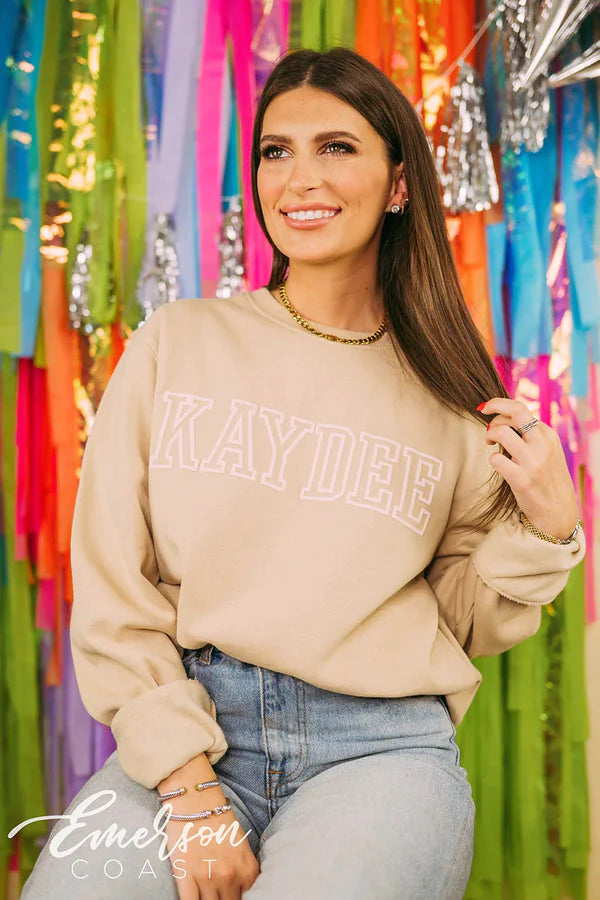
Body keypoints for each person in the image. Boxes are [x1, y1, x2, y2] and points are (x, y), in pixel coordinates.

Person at [20, 46, 585, 900]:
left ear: (399, 184)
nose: (299, 179)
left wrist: (548, 526)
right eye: (276, 151)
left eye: (337, 147)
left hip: (380, 752)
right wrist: (189, 789)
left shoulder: (453, 395)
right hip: (191, 733)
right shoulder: (178, 342)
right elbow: (113, 587)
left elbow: (462, 620)